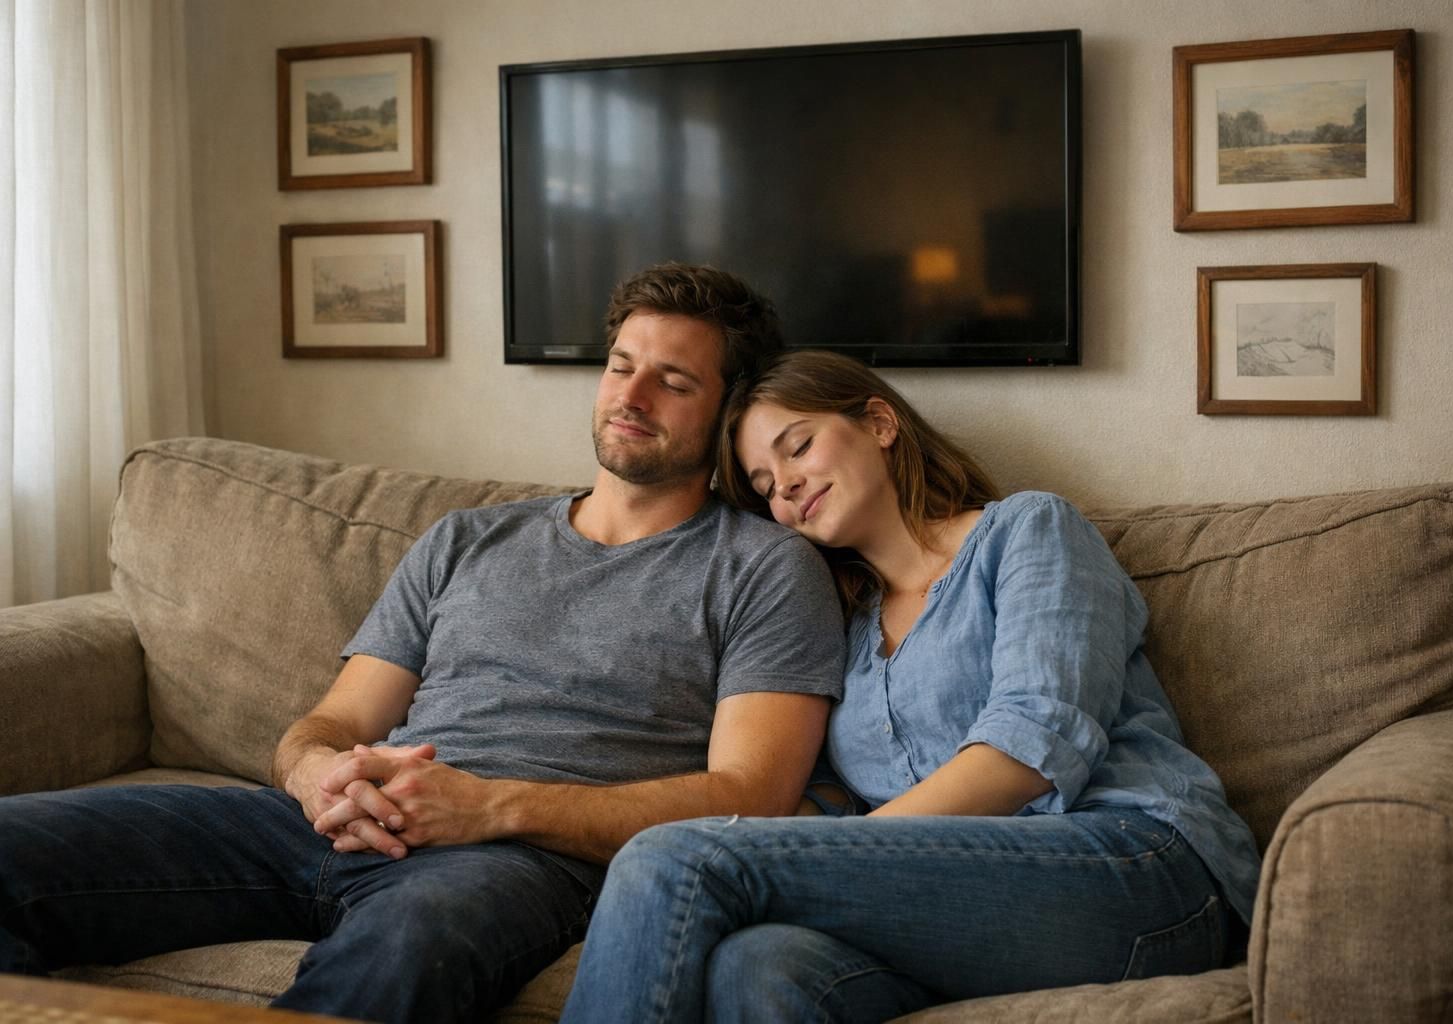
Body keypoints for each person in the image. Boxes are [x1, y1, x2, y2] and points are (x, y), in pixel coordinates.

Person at [0, 265, 847, 1024]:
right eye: (622, 366)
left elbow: (752, 796)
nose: (631, 397)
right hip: (327, 827)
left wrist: (486, 808)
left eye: (673, 382)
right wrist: (317, 777)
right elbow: (333, 722)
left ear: (727, 410)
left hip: (513, 863)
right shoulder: (467, 539)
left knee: (407, 954)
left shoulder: (764, 567)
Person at [559, 350, 1263, 1024]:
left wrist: (820, 856)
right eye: (766, 486)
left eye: (797, 447)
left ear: (879, 424)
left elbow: (1029, 748)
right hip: (965, 902)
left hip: (1139, 868)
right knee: (762, 966)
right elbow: (841, 797)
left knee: (673, 855)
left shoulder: (1028, 530)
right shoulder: (849, 629)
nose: (787, 486)